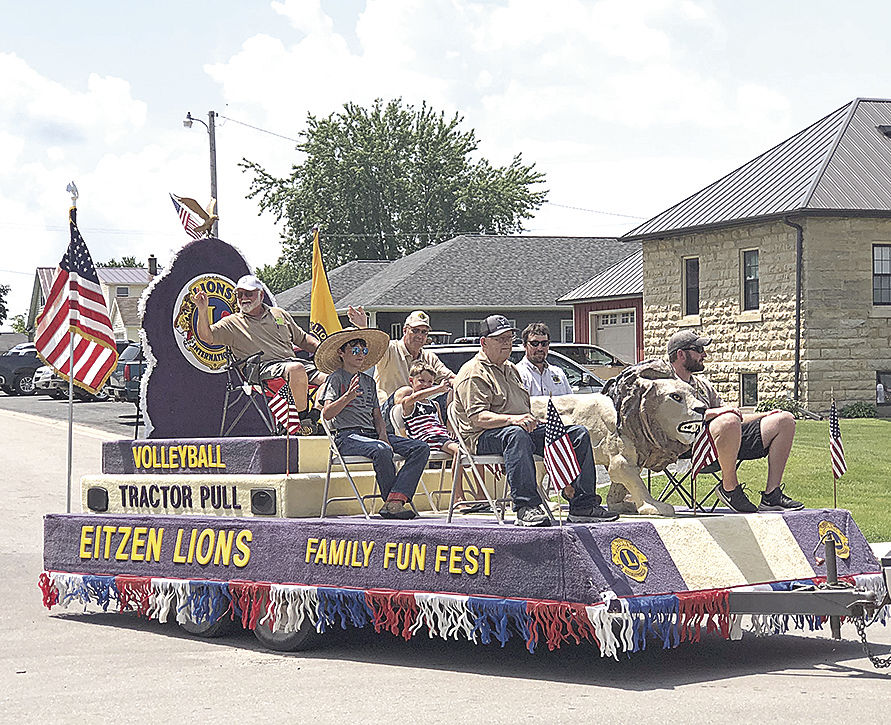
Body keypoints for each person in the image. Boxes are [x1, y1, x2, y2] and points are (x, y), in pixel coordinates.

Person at [453, 314, 617, 527]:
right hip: (481, 437)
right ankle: (526, 506)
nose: (506, 344)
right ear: (484, 342)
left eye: (509, 338)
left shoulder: (510, 369)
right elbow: (478, 418)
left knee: (577, 433)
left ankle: (582, 504)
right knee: (516, 434)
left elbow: (522, 409)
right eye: (500, 339)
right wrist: (513, 420)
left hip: (516, 430)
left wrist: (526, 421)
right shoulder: (473, 373)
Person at [667, 330, 802, 513]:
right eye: (698, 349)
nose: (704, 354)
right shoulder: (664, 386)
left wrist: (767, 414)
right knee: (728, 421)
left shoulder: (703, 385)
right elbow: (671, 420)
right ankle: (729, 488)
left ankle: (772, 495)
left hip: (724, 441)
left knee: (784, 420)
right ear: (681, 354)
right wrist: (717, 413)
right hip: (686, 447)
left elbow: (733, 416)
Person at [317, 327, 430, 520]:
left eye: (364, 350)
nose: (360, 354)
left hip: (371, 434)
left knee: (420, 448)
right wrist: (347, 397)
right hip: (347, 436)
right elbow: (326, 414)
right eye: (355, 350)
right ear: (341, 353)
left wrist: (384, 435)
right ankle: (392, 502)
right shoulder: (336, 378)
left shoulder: (368, 381)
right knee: (381, 450)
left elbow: (377, 415)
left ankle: (395, 500)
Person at [192, 275, 320, 414]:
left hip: (292, 365)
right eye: (239, 294)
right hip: (260, 370)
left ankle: (315, 417)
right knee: (296, 369)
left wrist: (324, 350)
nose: (243, 298)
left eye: (249, 293)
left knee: (333, 375)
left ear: (261, 295)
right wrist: (202, 310)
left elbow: (303, 339)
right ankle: (302, 421)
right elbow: (206, 337)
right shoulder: (232, 322)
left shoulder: (279, 314)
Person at [393, 361, 484, 510]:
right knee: (459, 451)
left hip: (440, 437)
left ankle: (481, 495)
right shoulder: (409, 402)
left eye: (429, 382)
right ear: (411, 381)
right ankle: (457, 498)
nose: (426, 385)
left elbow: (440, 425)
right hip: (425, 439)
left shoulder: (434, 405)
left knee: (475, 447)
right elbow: (415, 397)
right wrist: (439, 388)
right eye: (421, 381)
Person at [347, 307, 455, 406]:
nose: (420, 336)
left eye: (424, 332)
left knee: (452, 393)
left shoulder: (429, 358)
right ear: (404, 331)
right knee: (405, 391)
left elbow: (450, 377)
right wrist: (363, 327)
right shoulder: (390, 349)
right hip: (389, 411)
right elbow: (375, 344)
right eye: (415, 330)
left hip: (419, 412)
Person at [516, 322, 572, 396]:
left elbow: (570, 402)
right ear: (524, 345)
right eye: (534, 343)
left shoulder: (558, 373)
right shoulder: (517, 374)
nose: (540, 348)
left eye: (544, 343)